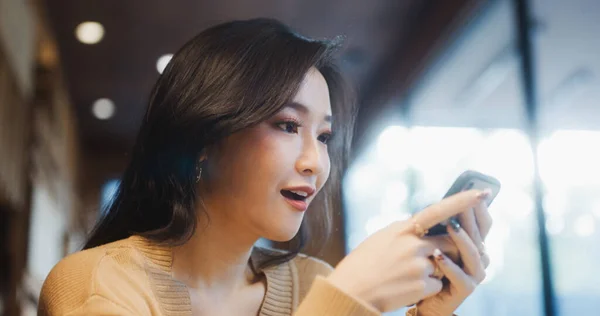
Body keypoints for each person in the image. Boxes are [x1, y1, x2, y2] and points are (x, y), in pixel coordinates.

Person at [38, 18, 493, 316]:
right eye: (288, 125)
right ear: (203, 139)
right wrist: (345, 302)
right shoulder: (96, 285)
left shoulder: (313, 282)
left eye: (324, 136)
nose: (315, 162)